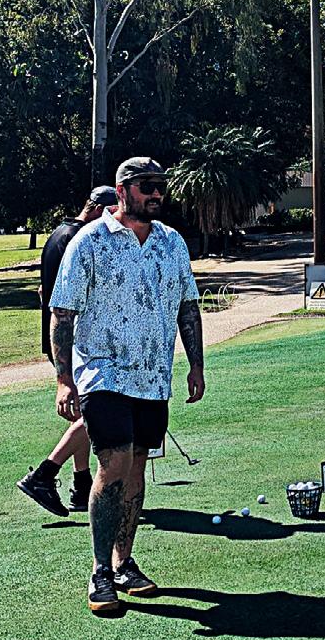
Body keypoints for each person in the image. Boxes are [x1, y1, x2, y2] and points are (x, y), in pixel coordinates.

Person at [48, 156, 204, 615]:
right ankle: (100, 572)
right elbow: (62, 312)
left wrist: (196, 366)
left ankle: (123, 563)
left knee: (136, 467)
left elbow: (188, 307)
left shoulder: (171, 242)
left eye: (160, 185)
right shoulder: (90, 241)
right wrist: (64, 379)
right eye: (146, 186)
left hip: (153, 377)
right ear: (122, 191)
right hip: (103, 374)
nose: (156, 193)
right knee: (113, 463)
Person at [16, 185, 119, 518]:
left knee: (81, 410)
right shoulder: (77, 239)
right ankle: (44, 474)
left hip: (65, 339)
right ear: (99, 209)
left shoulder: (58, 235)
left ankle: (82, 483)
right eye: (113, 214)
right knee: (97, 410)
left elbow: (43, 290)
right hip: (75, 340)